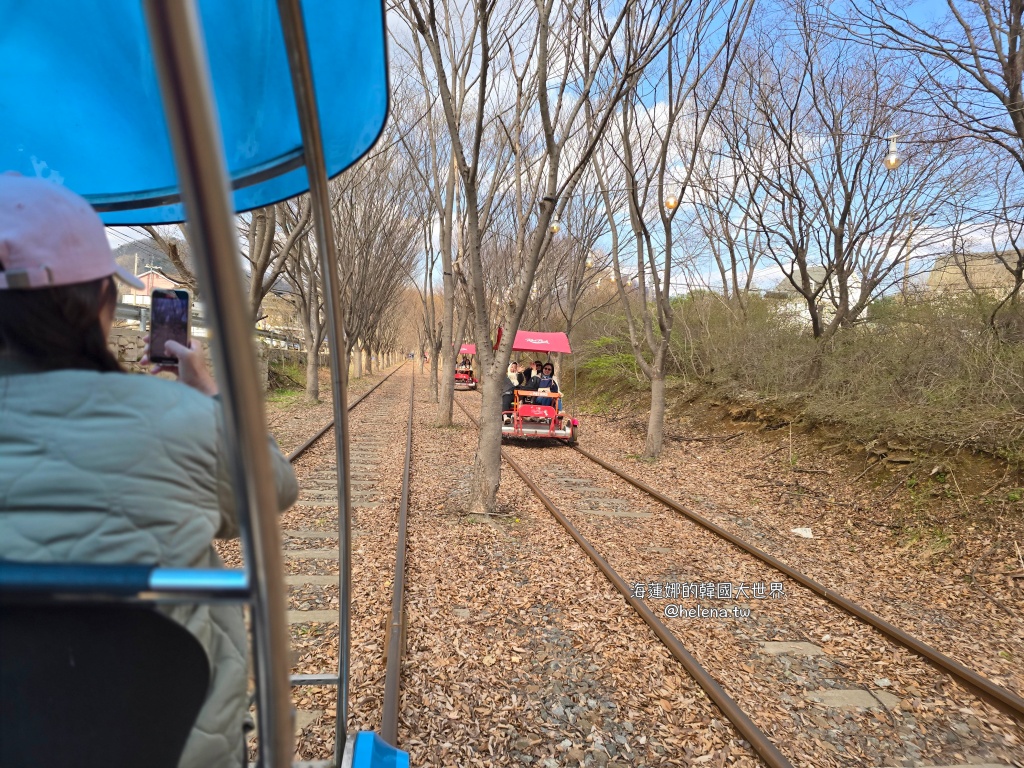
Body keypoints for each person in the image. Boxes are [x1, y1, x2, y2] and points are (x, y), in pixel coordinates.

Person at [0, 174, 298, 768]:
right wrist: (211, 396)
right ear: (99, 307)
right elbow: (275, 487)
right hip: (175, 746)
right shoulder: (182, 417)